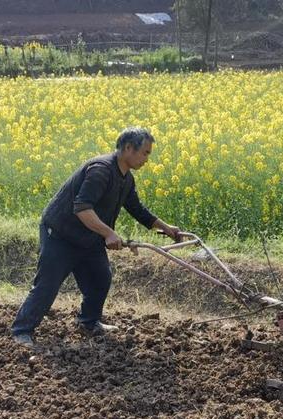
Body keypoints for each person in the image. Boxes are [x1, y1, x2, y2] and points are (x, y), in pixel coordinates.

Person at [11, 126, 180, 347]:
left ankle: (89, 321)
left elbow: (136, 208)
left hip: (88, 237)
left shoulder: (126, 178)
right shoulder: (101, 170)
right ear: (128, 148)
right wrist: (109, 233)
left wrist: (165, 227)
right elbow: (81, 208)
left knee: (101, 278)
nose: (147, 158)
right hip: (61, 234)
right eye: (145, 153)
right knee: (48, 285)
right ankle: (21, 330)